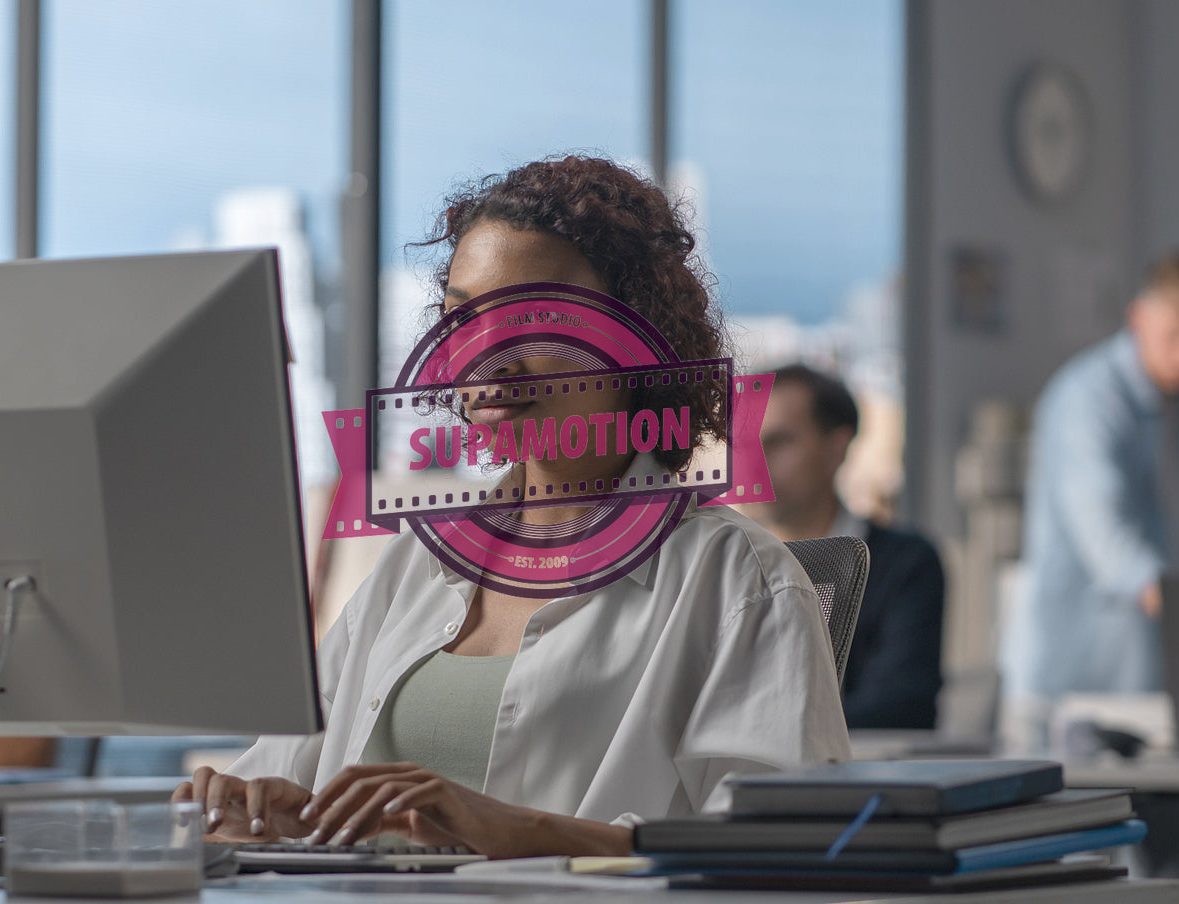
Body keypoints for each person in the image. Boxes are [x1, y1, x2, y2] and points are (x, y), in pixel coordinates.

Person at [175, 156, 849, 858]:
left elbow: (786, 849)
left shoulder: (736, 578)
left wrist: (521, 831)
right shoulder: (418, 560)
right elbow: (275, 778)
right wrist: (270, 812)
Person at [1000, 252, 1179, 750]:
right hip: (1073, 677)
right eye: (1177, 335)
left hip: (1159, 671)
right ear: (1138, 318)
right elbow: (1106, 537)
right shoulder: (1087, 398)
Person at [749, 363, 945, 730]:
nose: (755, 462)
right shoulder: (729, 567)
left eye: (779, 441)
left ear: (836, 447)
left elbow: (903, 705)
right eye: (745, 443)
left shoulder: (905, 563)